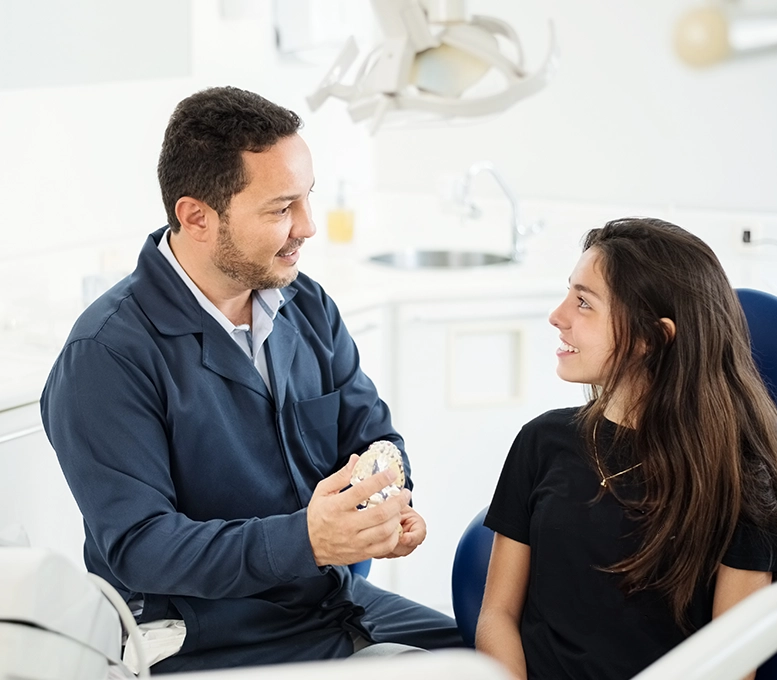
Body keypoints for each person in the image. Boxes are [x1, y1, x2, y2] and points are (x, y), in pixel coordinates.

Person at [40, 86, 462, 673]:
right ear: (197, 218)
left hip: (327, 605)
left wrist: (385, 496)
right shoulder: (107, 355)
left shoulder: (306, 305)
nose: (308, 227)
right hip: (206, 635)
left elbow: (373, 436)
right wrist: (308, 541)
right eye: (281, 208)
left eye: (306, 199)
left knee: (494, 662)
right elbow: (141, 546)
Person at [475, 217, 777, 680]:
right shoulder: (542, 442)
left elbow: (732, 667)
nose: (558, 315)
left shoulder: (739, 482)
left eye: (584, 303)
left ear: (652, 338)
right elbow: (497, 617)